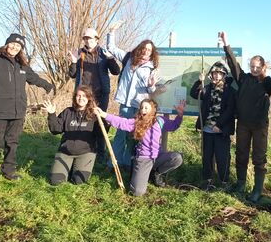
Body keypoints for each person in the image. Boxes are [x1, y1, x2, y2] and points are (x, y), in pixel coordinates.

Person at [0, 29, 54, 181]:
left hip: (17, 112)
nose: (14, 47)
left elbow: (34, 78)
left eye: (18, 46)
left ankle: (8, 171)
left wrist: (48, 86)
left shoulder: (22, 64)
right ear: (7, 44)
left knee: (12, 142)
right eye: (13, 44)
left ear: (21, 49)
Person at [220, 31, 271, 203]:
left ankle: (257, 189)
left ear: (263, 67)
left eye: (257, 66)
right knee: (241, 154)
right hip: (243, 124)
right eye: (252, 66)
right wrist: (226, 43)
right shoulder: (243, 78)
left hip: (259, 126)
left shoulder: (267, 83)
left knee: (259, 157)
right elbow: (233, 63)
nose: (254, 69)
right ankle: (240, 183)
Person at [96, 99, 185, 196]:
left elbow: (173, 126)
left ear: (153, 110)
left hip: (157, 156)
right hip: (143, 159)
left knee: (177, 158)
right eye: (142, 107)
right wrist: (104, 115)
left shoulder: (160, 121)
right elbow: (122, 122)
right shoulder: (137, 123)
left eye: (146, 108)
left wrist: (180, 115)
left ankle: (156, 173)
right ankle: (138, 171)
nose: (143, 110)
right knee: (137, 192)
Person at [106, 22, 159, 169]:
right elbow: (112, 48)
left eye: (149, 50)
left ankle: (128, 163)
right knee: (120, 135)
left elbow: (151, 91)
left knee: (133, 136)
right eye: (144, 48)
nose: (146, 51)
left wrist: (151, 84)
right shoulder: (128, 58)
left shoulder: (151, 68)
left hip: (139, 107)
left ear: (151, 53)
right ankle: (114, 164)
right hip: (125, 104)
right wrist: (112, 31)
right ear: (140, 48)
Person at [68, 27, 120, 163]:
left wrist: (110, 59)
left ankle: (100, 153)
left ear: (96, 39)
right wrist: (73, 62)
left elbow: (116, 71)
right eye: (85, 38)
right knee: (82, 121)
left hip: (101, 94)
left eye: (90, 38)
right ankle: (84, 150)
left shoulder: (103, 53)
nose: (87, 40)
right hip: (83, 95)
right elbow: (72, 74)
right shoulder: (80, 53)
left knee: (100, 122)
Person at [189, 61, 236, 190]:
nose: (216, 76)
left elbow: (230, 110)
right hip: (207, 130)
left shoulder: (229, 91)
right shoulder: (207, 88)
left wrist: (219, 125)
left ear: (224, 75)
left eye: (219, 73)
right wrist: (199, 82)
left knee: (223, 156)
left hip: (221, 131)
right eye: (214, 73)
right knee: (207, 156)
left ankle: (224, 181)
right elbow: (194, 94)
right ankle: (207, 180)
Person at [43, 85, 100, 185]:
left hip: (85, 153)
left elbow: (100, 134)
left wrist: (105, 122)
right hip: (66, 152)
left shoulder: (94, 115)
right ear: (75, 97)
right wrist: (52, 114)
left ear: (89, 98)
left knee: (79, 181)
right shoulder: (67, 112)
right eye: (78, 95)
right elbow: (55, 130)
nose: (81, 98)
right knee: (56, 181)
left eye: (84, 96)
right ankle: (67, 169)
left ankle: (76, 169)